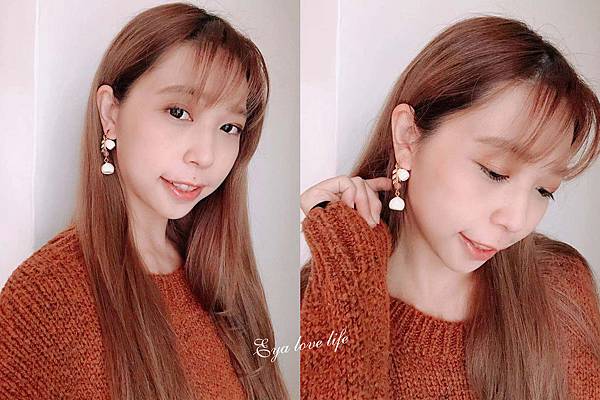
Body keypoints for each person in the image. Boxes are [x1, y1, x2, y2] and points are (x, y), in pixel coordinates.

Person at [300, 16, 600, 400]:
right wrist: (348, 267)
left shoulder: (559, 285)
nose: (516, 220)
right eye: (494, 172)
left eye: (544, 190)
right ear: (408, 138)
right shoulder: (316, 297)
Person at [0, 3, 289, 399]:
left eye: (228, 127)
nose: (205, 155)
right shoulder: (46, 299)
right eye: (178, 112)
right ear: (110, 113)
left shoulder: (222, 280)